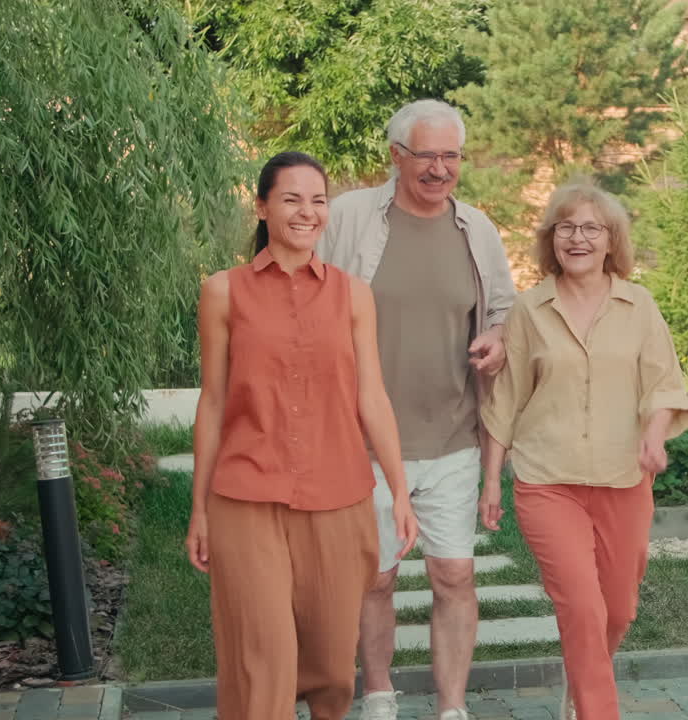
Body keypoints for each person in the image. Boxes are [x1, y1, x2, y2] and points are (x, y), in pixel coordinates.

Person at [185, 151, 413, 720]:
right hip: (245, 497)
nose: (307, 212)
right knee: (264, 658)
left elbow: (372, 397)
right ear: (262, 207)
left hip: (338, 497)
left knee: (333, 669)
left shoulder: (353, 294)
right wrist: (199, 508)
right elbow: (213, 403)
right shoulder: (222, 292)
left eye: (318, 200)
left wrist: (400, 491)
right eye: (291, 199)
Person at [318, 99, 516, 720]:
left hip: (455, 436)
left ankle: (451, 708)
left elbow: (505, 310)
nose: (438, 168)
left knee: (453, 578)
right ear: (396, 155)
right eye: (425, 154)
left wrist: (499, 339)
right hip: (363, 440)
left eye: (450, 155)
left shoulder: (477, 229)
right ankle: (379, 696)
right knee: (375, 579)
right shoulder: (350, 217)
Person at [480, 182, 688, 720]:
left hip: (624, 477)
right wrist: (490, 484)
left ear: (611, 240)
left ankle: (581, 684)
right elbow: (505, 400)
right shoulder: (529, 310)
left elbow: (663, 385)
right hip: (547, 478)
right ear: (551, 238)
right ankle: (597, 709)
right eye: (566, 227)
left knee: (618, 609)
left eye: (590, 228)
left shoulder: (638, 304)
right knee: (580, 605)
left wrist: (653, 434)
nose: (577, 238)